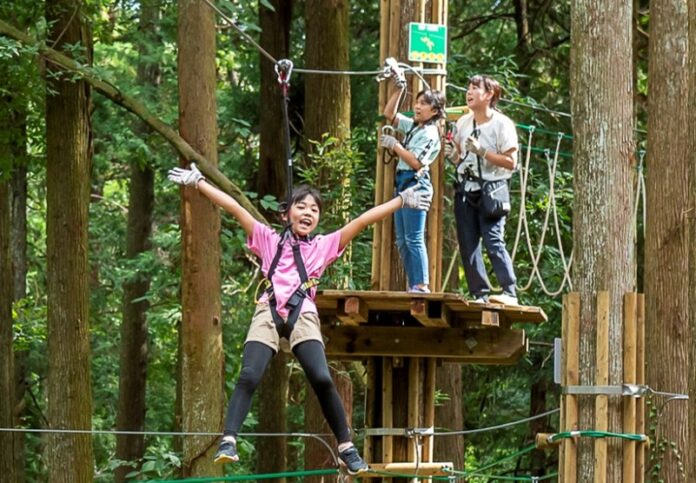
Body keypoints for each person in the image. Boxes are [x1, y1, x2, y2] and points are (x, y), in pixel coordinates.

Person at [167, 163, 431, 474]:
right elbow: (235, 208)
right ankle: (229, 440)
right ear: (285, 214)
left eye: (314, 209)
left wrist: (402, 200)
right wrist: (198, 183)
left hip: (302, 312)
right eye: (301, 206)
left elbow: (361, 221)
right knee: (249, 375)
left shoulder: (323, 246)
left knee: (321, 377)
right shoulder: (268, 239)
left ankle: (346, 446)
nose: (308, 212)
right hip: (268, 310)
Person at [444, 74, 519, 305]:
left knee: (493, 239)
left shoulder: (502, 124)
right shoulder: (463, 123)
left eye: (475, 88)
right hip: (466, 188)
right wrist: (453, 155)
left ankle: (509, 292)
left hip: (492, 189)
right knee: (468, 243)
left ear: (489, 95)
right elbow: (460, 157)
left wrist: (483, 152)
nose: (469, 92)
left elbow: (511, 162)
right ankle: (480, 294)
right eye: (468, 88)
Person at [380, 82, 446, 293]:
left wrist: (395, 145)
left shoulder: (430, 133)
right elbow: (389, 113)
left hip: (416, 184)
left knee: (414, 237)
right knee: (402, 240)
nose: (417, 107)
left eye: (423, 104)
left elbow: (417, 162)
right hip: (402, 182)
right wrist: (400, 88)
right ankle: (413, 284)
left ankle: (421, 284)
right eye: (417, 102)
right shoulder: (413, 126)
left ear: (434, 111)